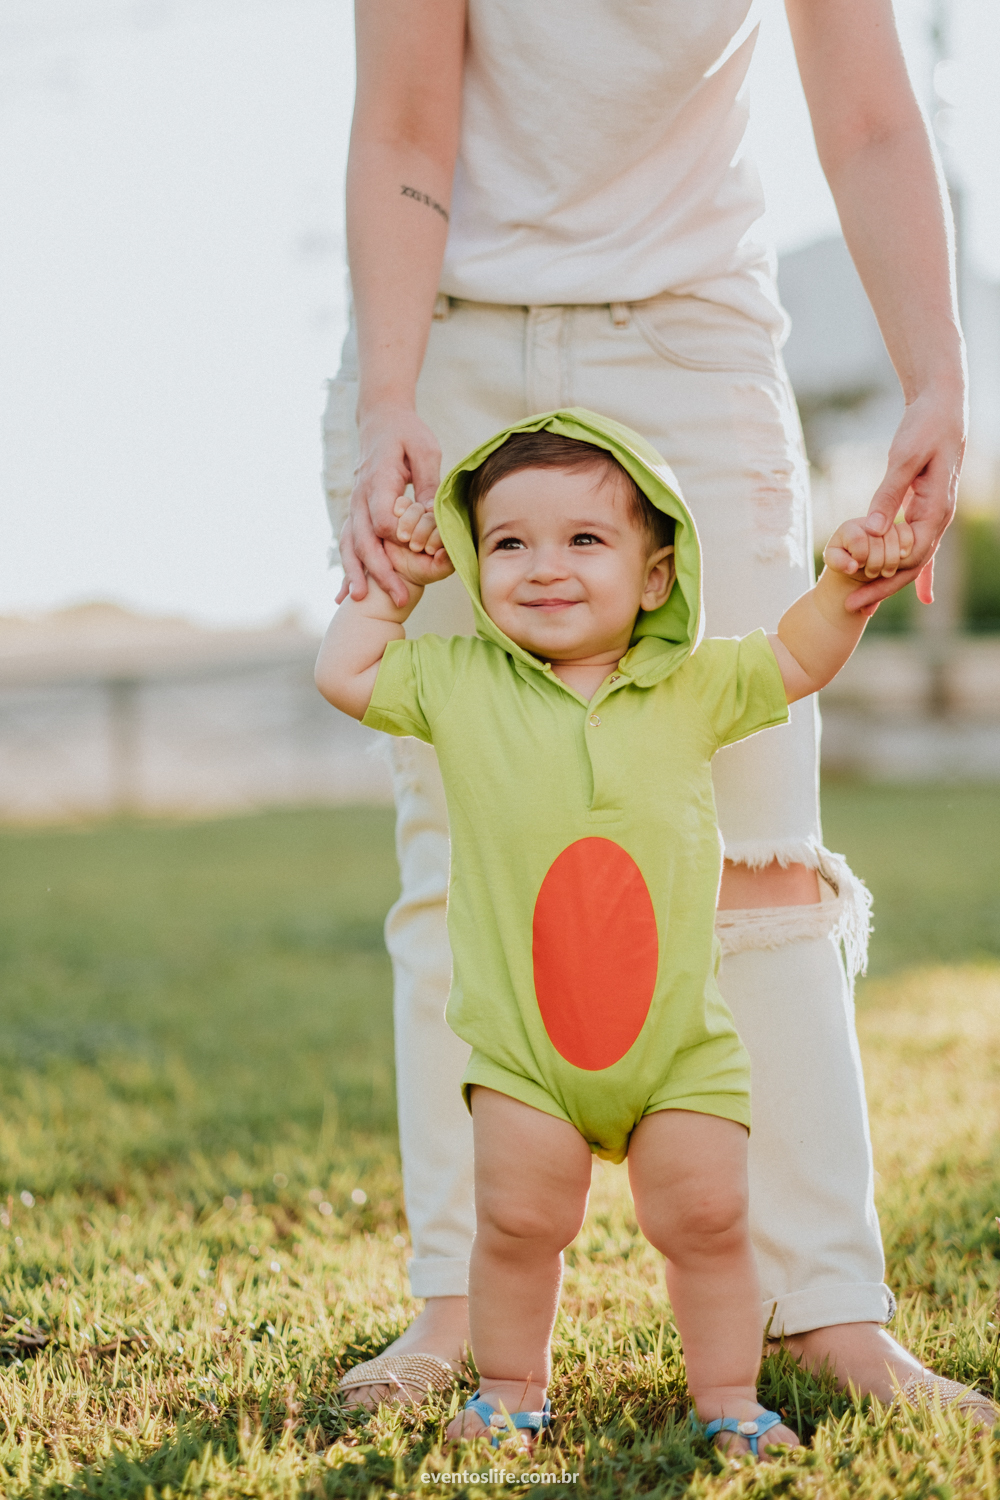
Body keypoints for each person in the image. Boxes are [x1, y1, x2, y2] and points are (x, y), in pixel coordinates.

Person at [324, 0, 990, 1424]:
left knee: (758, 850)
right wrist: (389, 397)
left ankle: (828, 1311)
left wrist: (936, 368)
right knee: (462, 850)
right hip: (446, 340)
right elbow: (405, 122)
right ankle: (457, 1305)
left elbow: (869, 114)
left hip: (685, 342)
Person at [316, 411, 914, 1454]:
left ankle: (730, 1401)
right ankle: (508, 1388)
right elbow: (348, 674)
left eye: (584, 540)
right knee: (515, 1226)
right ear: (475, 562)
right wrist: (390, 592)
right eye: (508, 543)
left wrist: (843, 592)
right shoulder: (459, 682)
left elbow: (792, 657)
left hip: (675, 1047)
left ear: (653, 576)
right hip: (524, 1055)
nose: (543, 567)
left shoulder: (690, 683)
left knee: (708, 1224)